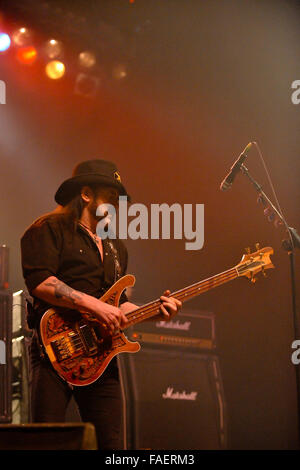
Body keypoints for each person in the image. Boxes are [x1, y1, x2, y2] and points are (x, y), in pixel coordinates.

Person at [20, 159, 182, 450]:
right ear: (86, 194)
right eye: (110, 197)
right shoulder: (49, 229)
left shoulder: (116, 248)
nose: (115, 206)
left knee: (112, 444)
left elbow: (119, 307)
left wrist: (155, 313)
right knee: (46, 443)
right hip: (55, 349)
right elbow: (41, 282)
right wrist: (94, 306)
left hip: (102, 357)